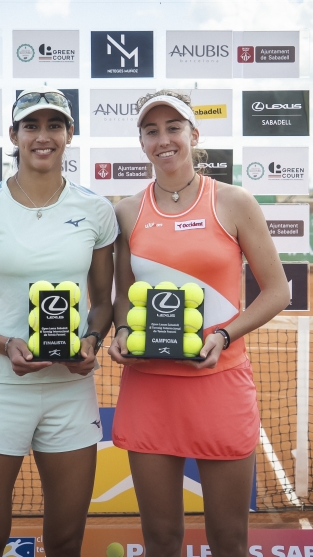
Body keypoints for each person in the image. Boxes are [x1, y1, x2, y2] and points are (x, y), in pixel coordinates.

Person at [0, 87, 117, 557]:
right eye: (31, 126)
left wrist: (92, 340)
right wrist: (5, 343)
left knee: (66, 539)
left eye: (54, 125)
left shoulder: (95, 210)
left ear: (69, 135)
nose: (43, 136)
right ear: (13, 134)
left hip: (69, 392)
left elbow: (102, 304)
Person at [107, 90, 291, 557]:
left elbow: (277, 291)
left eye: (173, 128)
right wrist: (124, 333)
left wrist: (225, 334)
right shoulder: (127, 211)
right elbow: (125, 299)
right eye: (152, 130)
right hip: (150, 389)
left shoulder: (233, 201)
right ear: (142, 141)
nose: (163, 139)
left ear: (194, 134)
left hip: (219, 383)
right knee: (161, 540)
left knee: (229, 540)